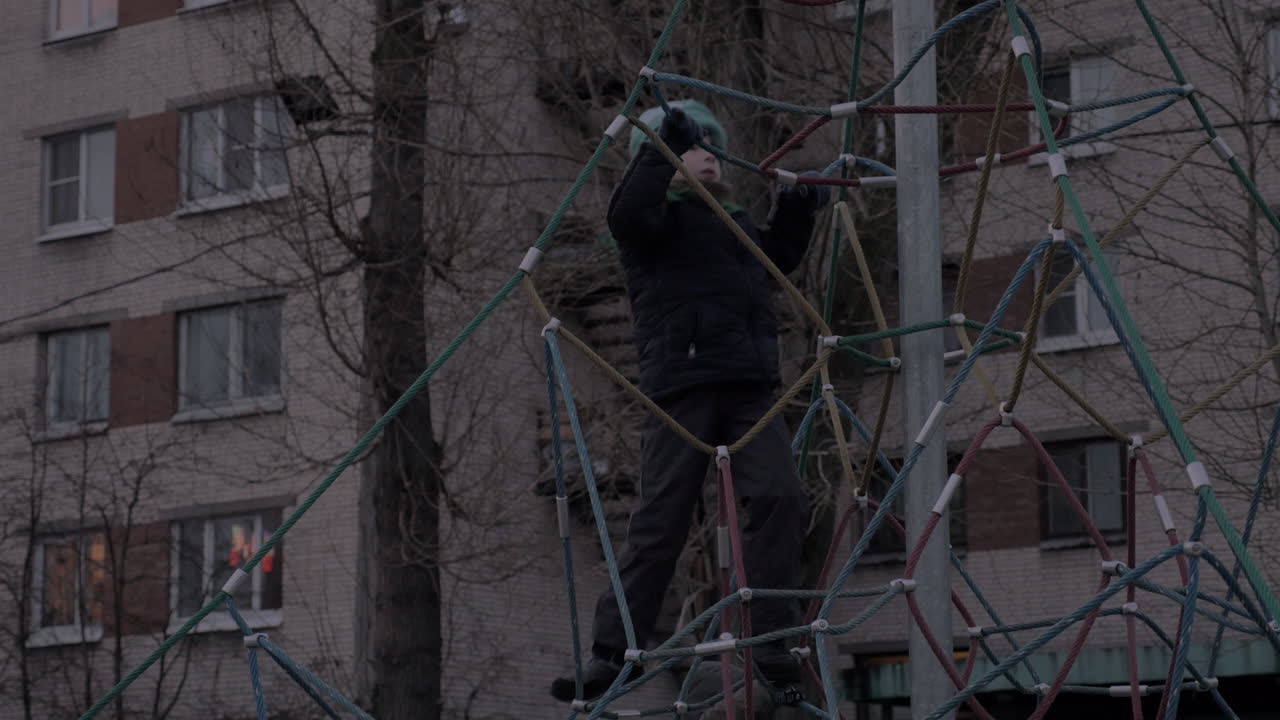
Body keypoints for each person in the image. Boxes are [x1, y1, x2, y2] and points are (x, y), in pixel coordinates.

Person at [550, 100, 828, 702]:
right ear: (665, 161)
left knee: (780, 497)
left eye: (711, 146)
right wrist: (657, 147)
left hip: (751, 385)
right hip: (684, 384)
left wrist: (799, 210)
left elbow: (775, 259)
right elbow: (625, 214)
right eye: (692, 146)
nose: (706, 154)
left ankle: (772, 638)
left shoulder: (734, 223)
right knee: (660, 520)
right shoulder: (653, 224)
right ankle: (611, 650)